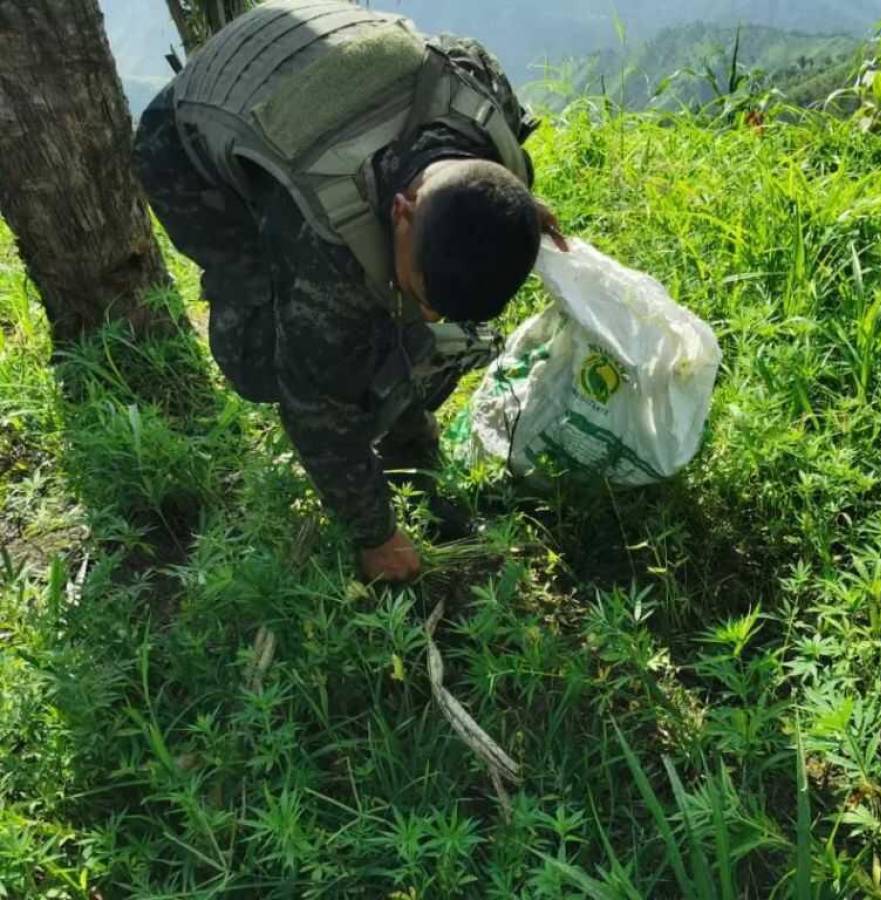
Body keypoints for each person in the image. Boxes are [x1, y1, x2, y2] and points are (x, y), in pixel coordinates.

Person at [133, 0, 567, 583]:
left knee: (407, 331)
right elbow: (317, 409)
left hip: (311, 75)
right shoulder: (327, 245)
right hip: (188, 139)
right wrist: (377, 536)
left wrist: (515, 208)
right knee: (275, 357)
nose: (428, 310)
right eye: (423, 290)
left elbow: (481, 182)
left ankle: (411, 447)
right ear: (402, 211)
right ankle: (379, 426)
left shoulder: (483, 99)